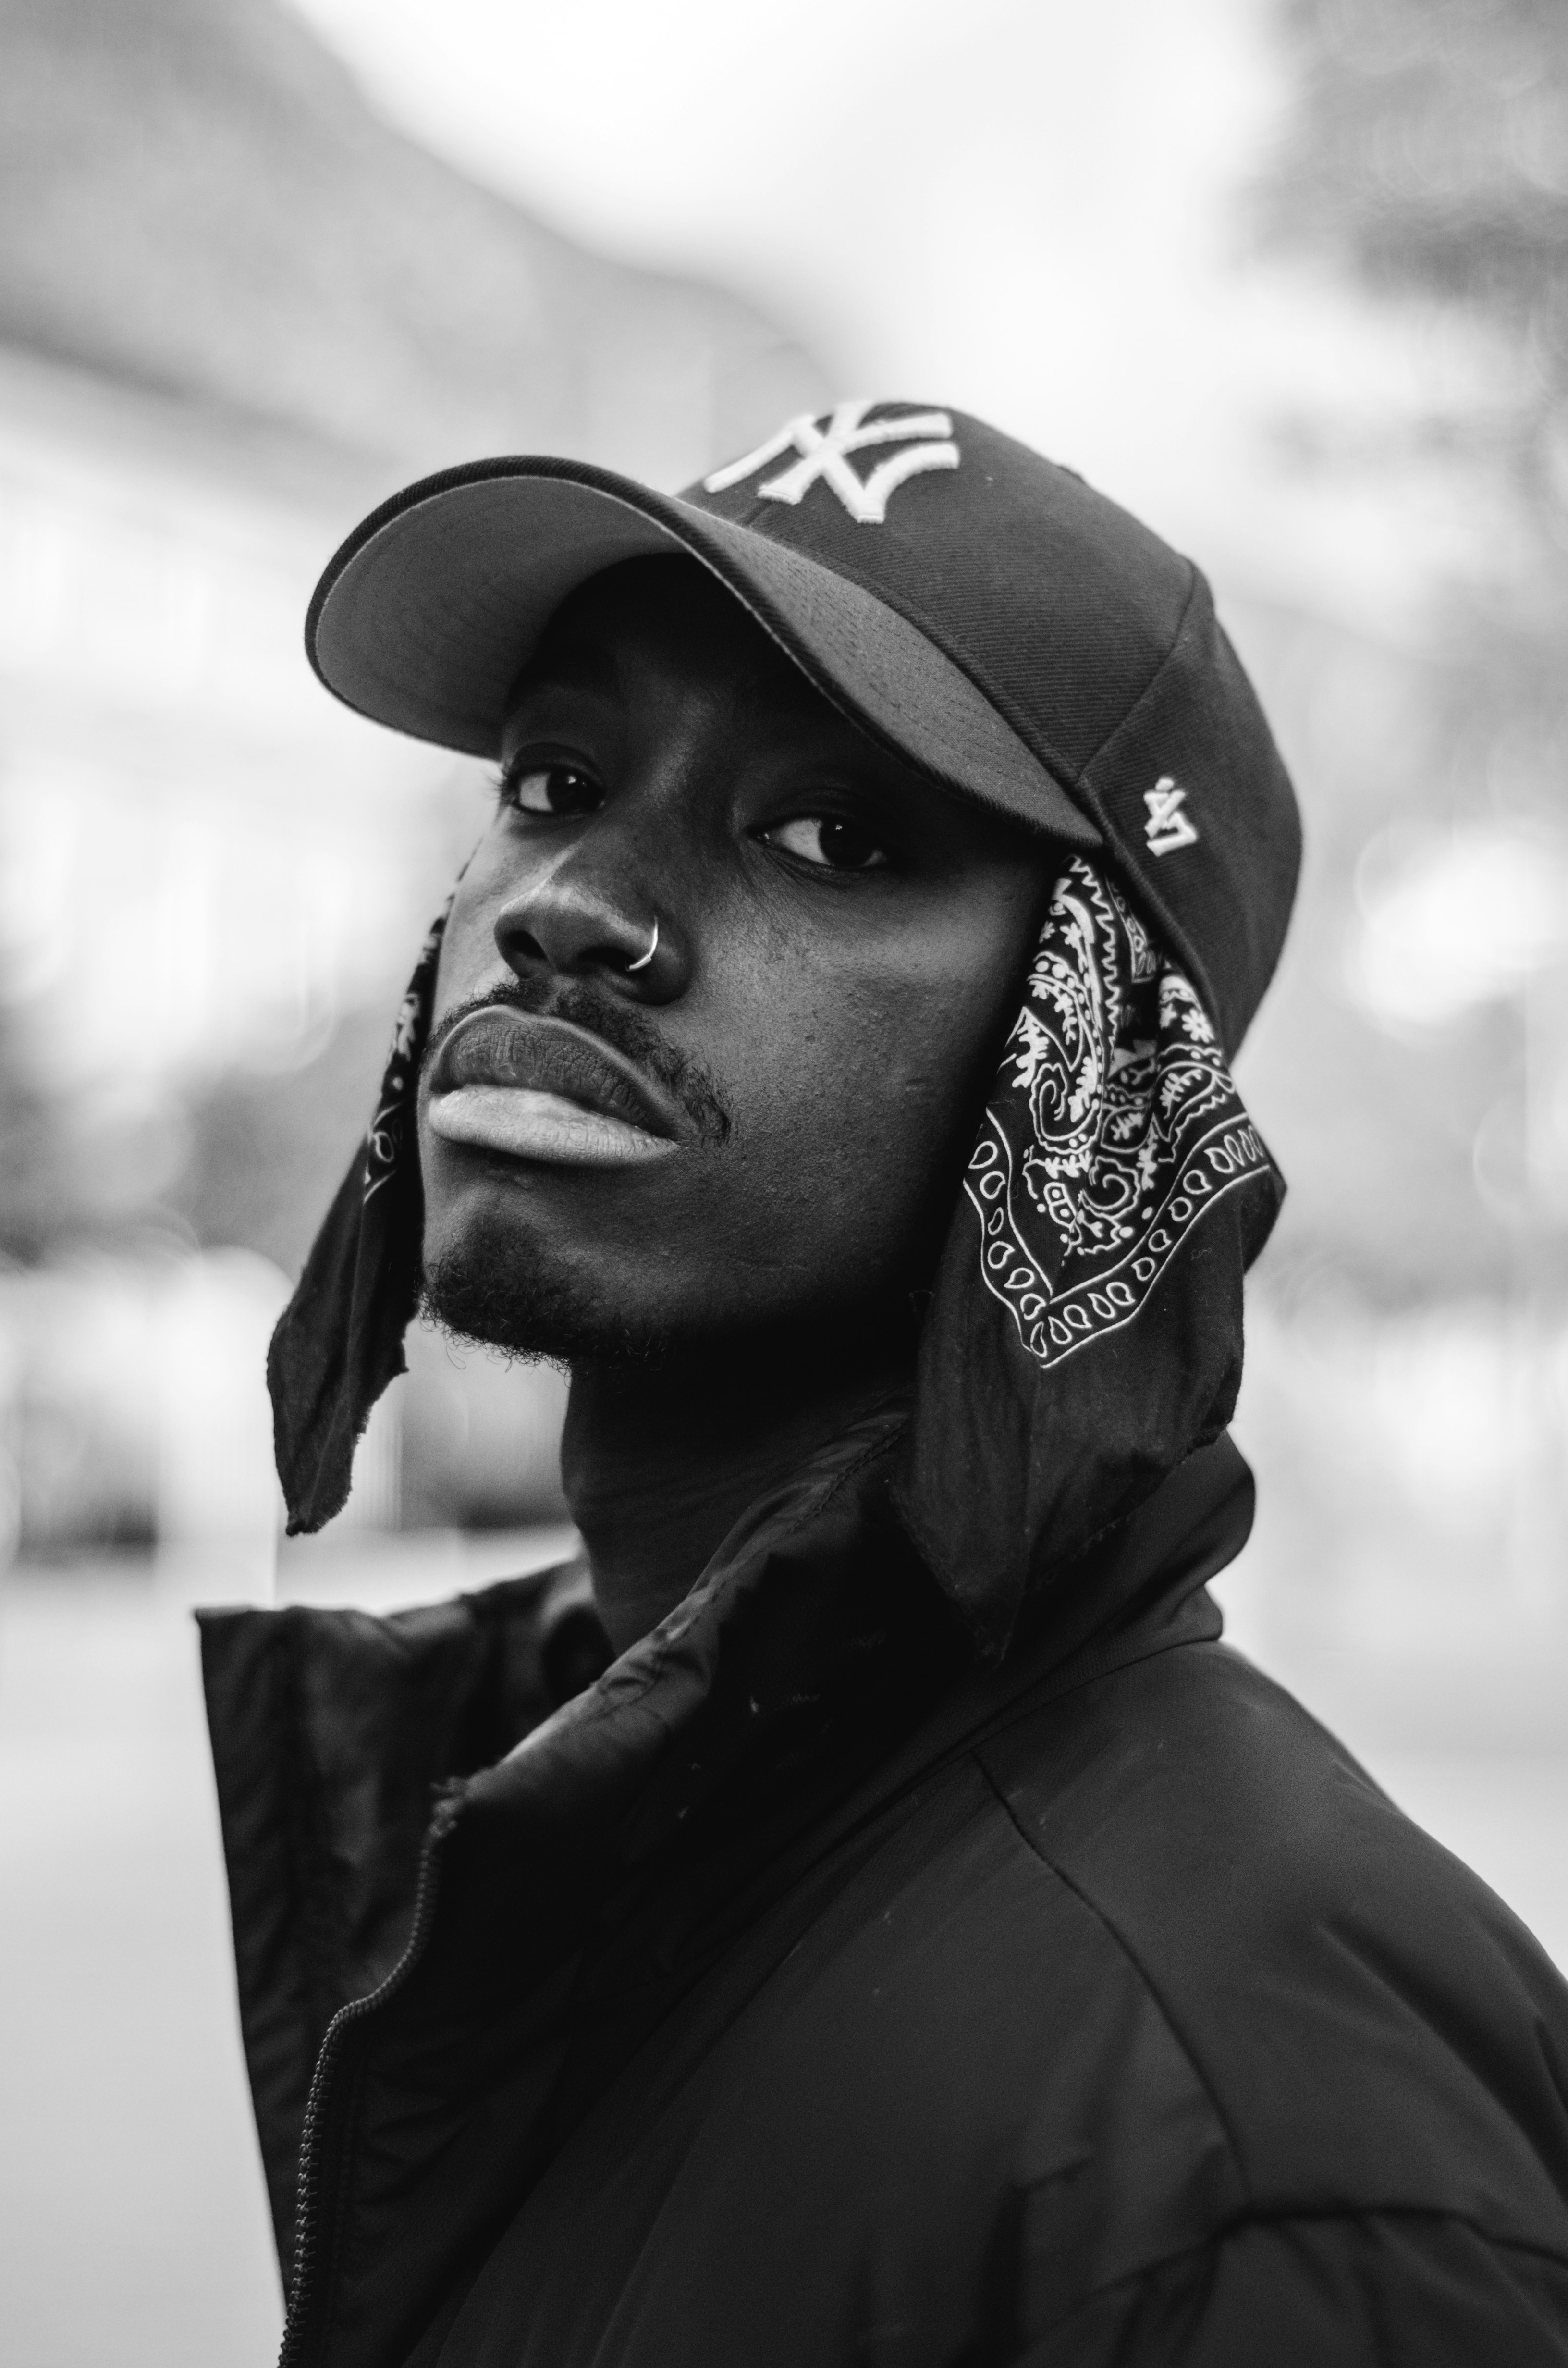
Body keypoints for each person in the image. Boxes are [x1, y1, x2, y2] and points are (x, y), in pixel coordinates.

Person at [201, 402, 1568, 2368]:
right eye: (556, 771)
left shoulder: (1254, 2144)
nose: (567, 900)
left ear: (1090, 1062)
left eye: (834, 831)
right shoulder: (565, 1847)